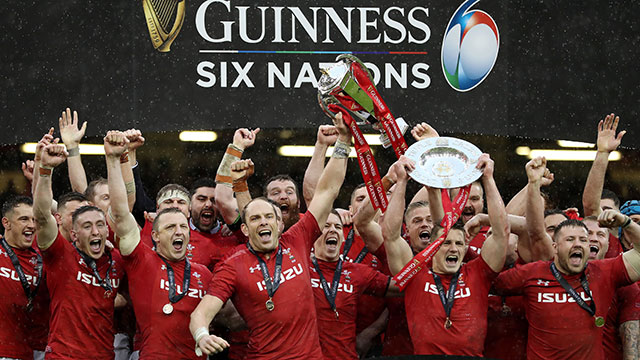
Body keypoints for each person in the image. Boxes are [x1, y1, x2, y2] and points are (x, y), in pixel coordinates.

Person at [189, 113, 351, 358]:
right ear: (245, 229)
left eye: (269, 217)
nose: (263, 221)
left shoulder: (297, 238)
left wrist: (343, 142)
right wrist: (202, 335)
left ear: (279, 224)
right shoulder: (233, 264)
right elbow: (201, 313)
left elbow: (327, 190)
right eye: (255, 218)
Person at [382, 153, 509, 356]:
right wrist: (402, 182)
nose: (453, 248)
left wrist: (489, 179)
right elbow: (391, 236)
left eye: (459, 243)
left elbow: (502, 233)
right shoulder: (416, 274)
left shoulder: (477, 273)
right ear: (432, 247)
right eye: (446, 242)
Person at [104, 130, 212, 359]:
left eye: (183, 227)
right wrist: (114, 160)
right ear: (155, 235)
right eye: (171, 227)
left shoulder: (204, 274)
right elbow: (121, 213)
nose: (179, 231)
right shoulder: (141, 260)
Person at [494, 212, 640, 359]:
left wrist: (626, 222)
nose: (577, 244)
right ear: (555, 247)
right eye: (570, 239)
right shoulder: (531, 273)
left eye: (583, 240)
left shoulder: (605, 272)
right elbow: (485, 280)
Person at [32, 142, 125, 359]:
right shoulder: (60, 255)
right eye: (86, 226)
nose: (95, 231)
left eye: (100, 225)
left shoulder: (117, 261)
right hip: (63, 356)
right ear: (74, 235)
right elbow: (42, 216)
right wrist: (45, 170)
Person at [310, 209, 396, 360]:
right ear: (314, 234)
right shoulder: (301, 267)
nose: (332, 230)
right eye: (326, 225)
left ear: (343, 238)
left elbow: (401, 288)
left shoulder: (357, 272)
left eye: (337, 227)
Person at [0, 196, 48, 360]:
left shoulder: (44, 260)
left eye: (34, 220)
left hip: (30, 351)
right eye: (24, 219)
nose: (31, 225)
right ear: (6, 223)